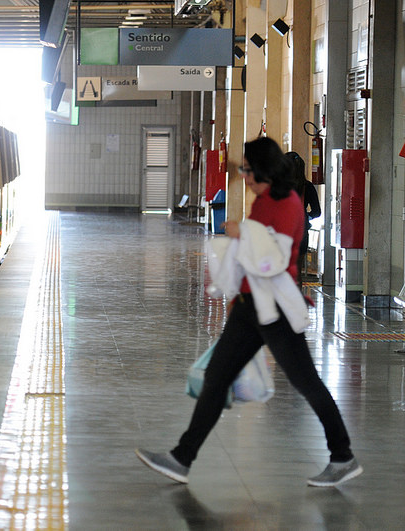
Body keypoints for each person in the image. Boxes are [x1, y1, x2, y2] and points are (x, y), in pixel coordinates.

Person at [135, 137, 362, 488]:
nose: (245, 176)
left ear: (263, 170)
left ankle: (343, 455)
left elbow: (273, 258)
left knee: (306, 382)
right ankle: (181, 458)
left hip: (274, 309)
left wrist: (244, 231)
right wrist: (236, 292)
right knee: (216, 377)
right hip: (249, 305)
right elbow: (252, 253)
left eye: (248, 170)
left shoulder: (287, 204)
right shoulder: (265, 199)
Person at [285, 151, 321, 283]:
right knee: (297, 273)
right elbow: (317, 212)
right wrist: (306, 216)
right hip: (301, 233)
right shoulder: (308, 187)